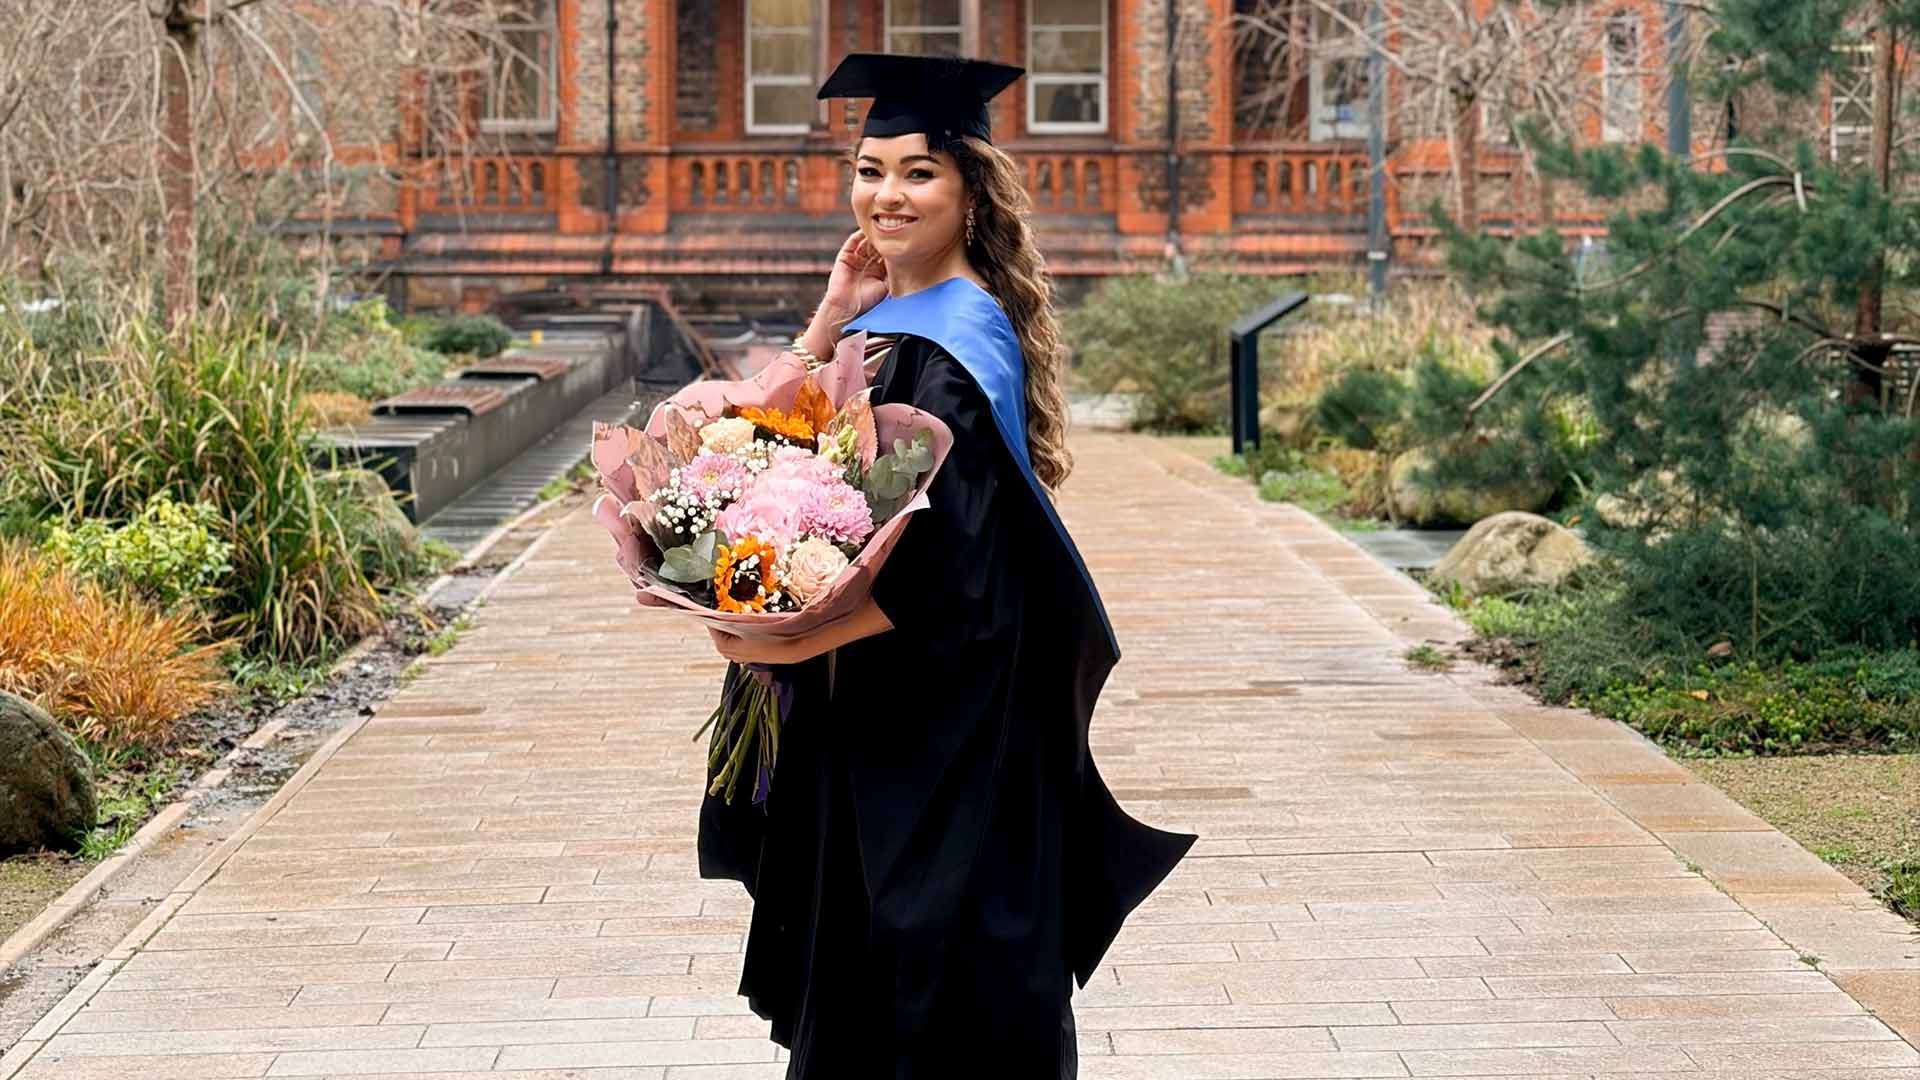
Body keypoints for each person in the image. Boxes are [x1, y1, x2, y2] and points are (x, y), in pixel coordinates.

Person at [700, 53, 1195, 1079]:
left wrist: (774, 634)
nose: (886, 194)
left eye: (918, 172)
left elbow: (952, 581)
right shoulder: (894, 327)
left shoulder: (954, 347)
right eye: (869, 168)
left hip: (946, 734)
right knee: (889, 983)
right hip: (883, 720)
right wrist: (836, 305)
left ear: (972, 191)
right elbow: (772, 452)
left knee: (934, 986)